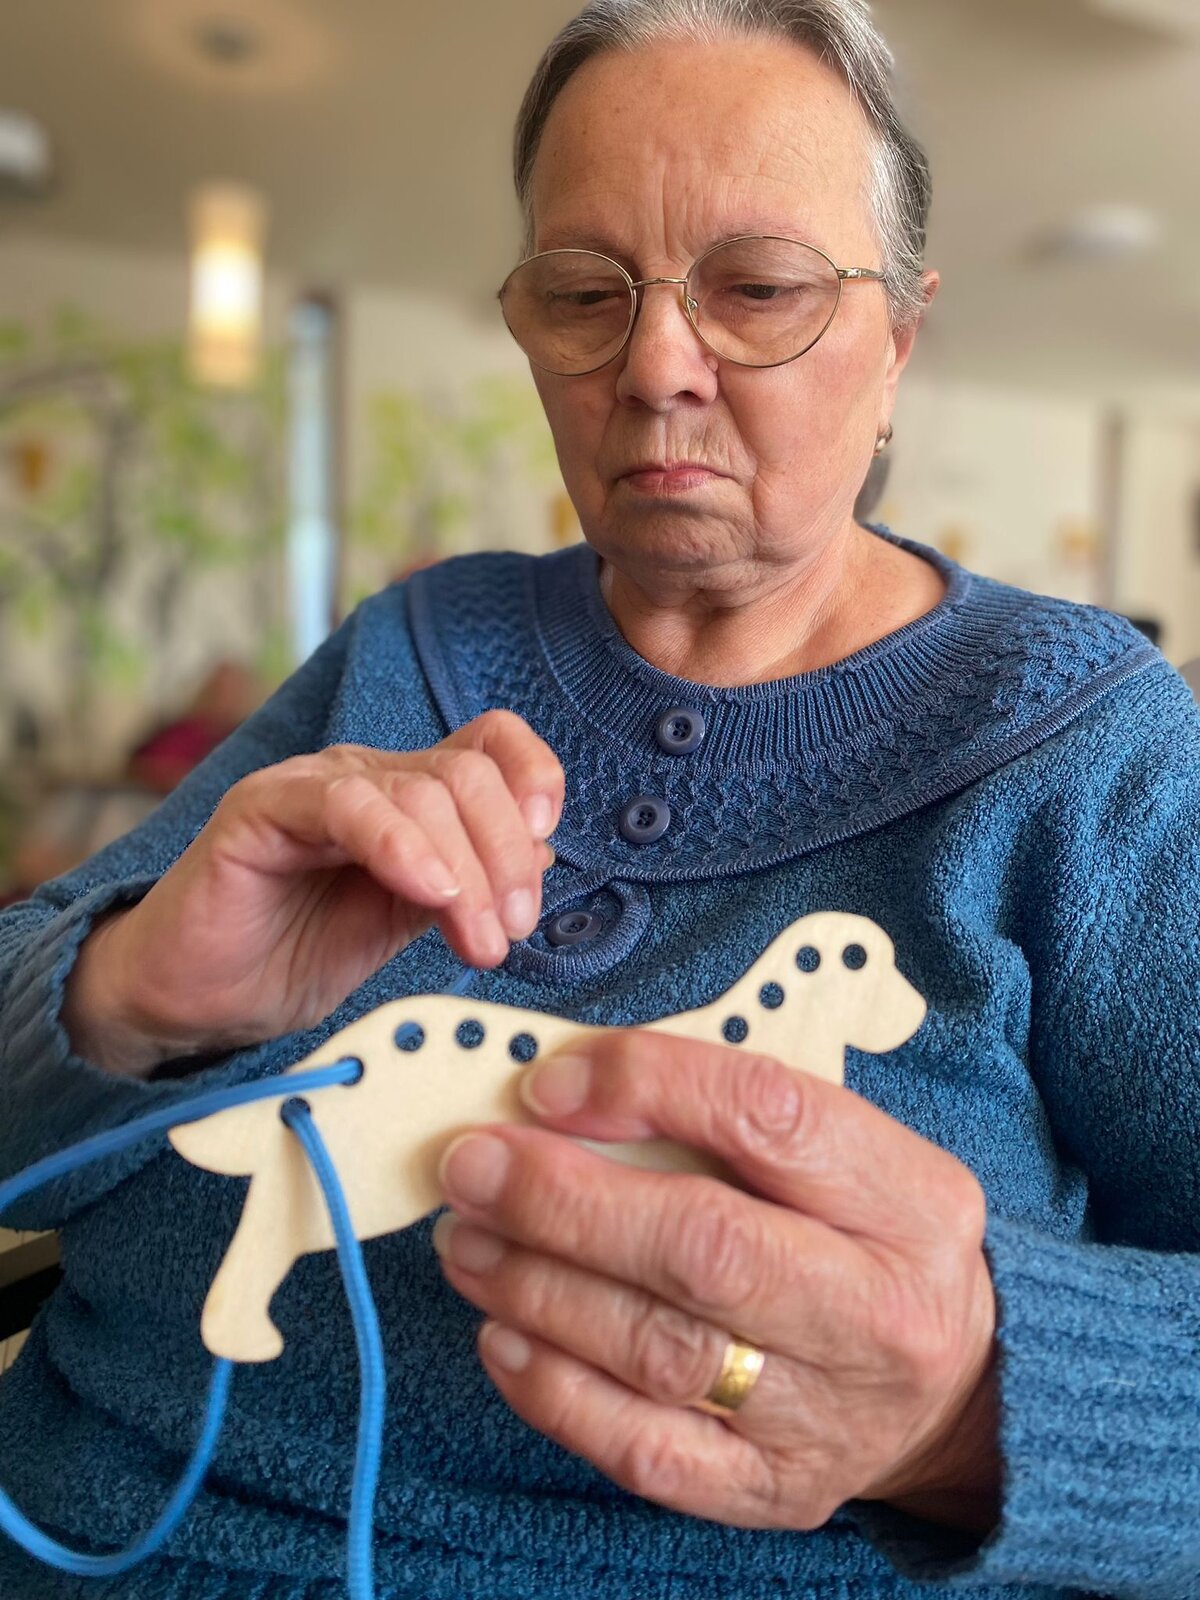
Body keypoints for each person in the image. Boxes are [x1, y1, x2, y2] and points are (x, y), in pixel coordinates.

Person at [1, 1, 1198, 1596]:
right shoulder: (415, 644)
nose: (653, 369)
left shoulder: (1084, 742)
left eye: (757, 290)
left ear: (898, 343)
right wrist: (128, 992)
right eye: (582, 294)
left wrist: (971, 1409)